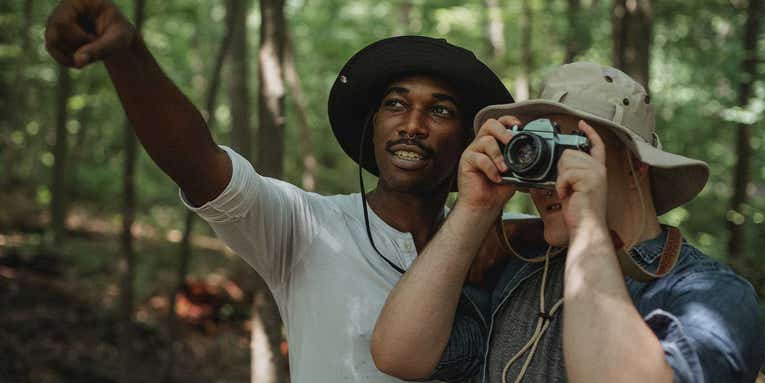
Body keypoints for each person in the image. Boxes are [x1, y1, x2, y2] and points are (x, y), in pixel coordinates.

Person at [44, 1, 515, 381]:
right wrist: (129, 56)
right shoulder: (306, 226)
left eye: (440, 111)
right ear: (372, 128)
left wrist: (501, 227)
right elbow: (198, 163)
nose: (412, 125)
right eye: (395, 104)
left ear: (467, 139)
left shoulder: (498, 242)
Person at [371, 62, 764, 383]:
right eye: (536, 151)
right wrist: (475, 208)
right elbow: (398, 355)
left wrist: (589, 229)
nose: (547, 180)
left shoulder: (711, 294)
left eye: (570, 150)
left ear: (636, 165)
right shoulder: (522, 275)